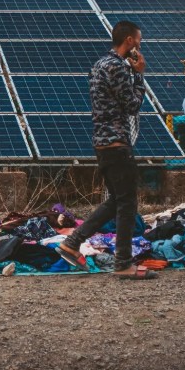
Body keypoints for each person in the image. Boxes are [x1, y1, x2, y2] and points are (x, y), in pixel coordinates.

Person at [55, 20, 157, 280]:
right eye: (139, 40)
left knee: (116, 201)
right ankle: (122, 263)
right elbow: (132, 105)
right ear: (130, 41)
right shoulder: (117, 67)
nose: (140, 45)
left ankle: (72, 243)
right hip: (116, 142)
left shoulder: (100, 64)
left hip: (103, 142)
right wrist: (139, 75)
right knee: (127, 203)